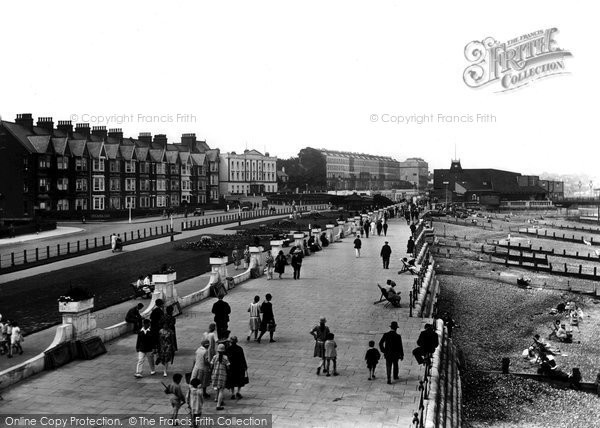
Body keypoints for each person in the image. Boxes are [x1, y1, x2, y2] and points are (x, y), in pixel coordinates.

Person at [211, 344, 230, 411]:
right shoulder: (225, 358)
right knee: (221, 390)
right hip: (222, 375)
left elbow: (211, 365)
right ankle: (218, 405)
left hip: (215, 374)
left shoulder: (214, 357)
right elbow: (228, 366)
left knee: (217, 387)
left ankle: (216, 398)